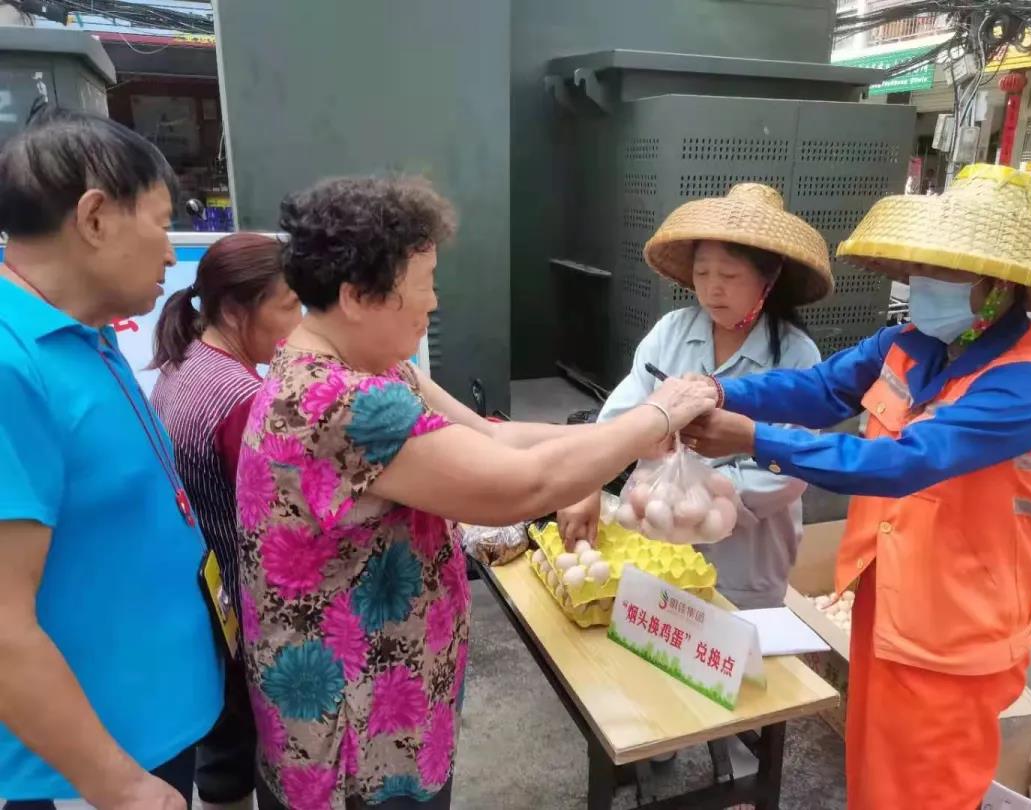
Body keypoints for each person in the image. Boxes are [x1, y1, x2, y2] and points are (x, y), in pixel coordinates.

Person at [236, 175, 718, 810]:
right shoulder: (341, 401)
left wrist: (623, 439)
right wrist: (656, 416)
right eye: (424, 283)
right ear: (356, 297)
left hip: (383, 692)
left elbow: (494, 438)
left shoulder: (361, 367)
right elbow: (521, 485)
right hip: (358, 727)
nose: (434, 302)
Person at [680, 164, 1031, 810]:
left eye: (945, 271)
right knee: (872, 780)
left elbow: (900, 463)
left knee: (928, 793)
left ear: (998, 283)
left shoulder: (1028, 384)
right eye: (921, 266)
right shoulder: (912, 343)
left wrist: (753, 438)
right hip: (886, 606)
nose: (923, 283)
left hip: (957, 640)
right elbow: (821, 389)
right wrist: (720, 391)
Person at [0, 108, 222, 808]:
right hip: (84, 775)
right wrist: (116, 785)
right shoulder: (10, 366)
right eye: (160, 225)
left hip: (154, 729)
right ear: (94, 218)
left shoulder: (85, 334)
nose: (171, 256)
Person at [558, 184, 833, 610]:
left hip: (744, 563)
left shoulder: (797, 356)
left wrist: (695, 499)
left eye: (729, 276)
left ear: (769, 278)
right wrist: (586, 482)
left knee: (730, 639)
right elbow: (620, 418)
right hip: (655, 544)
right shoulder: (671, 332)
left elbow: (785, 472)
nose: (712, 290)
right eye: (702, 274)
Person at [150, 233, 302, 810]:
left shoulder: (185, 358)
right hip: (238, 613)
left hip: (201, 604)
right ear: (238, 310)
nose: (298, 324)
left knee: (221, 756)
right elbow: (285, 520)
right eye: (289, 306)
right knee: (241, 759)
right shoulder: (243, 398)